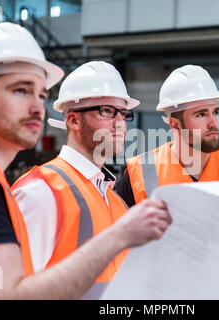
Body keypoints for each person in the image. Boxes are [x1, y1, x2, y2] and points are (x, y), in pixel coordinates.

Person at [0, 23, 171, 300]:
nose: (37, 107)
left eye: (41, 94)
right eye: (20, 90)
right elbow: (4, 296)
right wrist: (119, 236)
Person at [11, 61, 149, 299]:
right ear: (73, 120)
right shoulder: (41, 192)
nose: (120, 123)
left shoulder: (113, 200)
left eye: (124, 113)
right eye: (107, 111)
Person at [116, 65, 219, 207]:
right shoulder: (138, 176)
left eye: (215, 112)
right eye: (201, 114)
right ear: (175, 124)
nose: (213, 123)